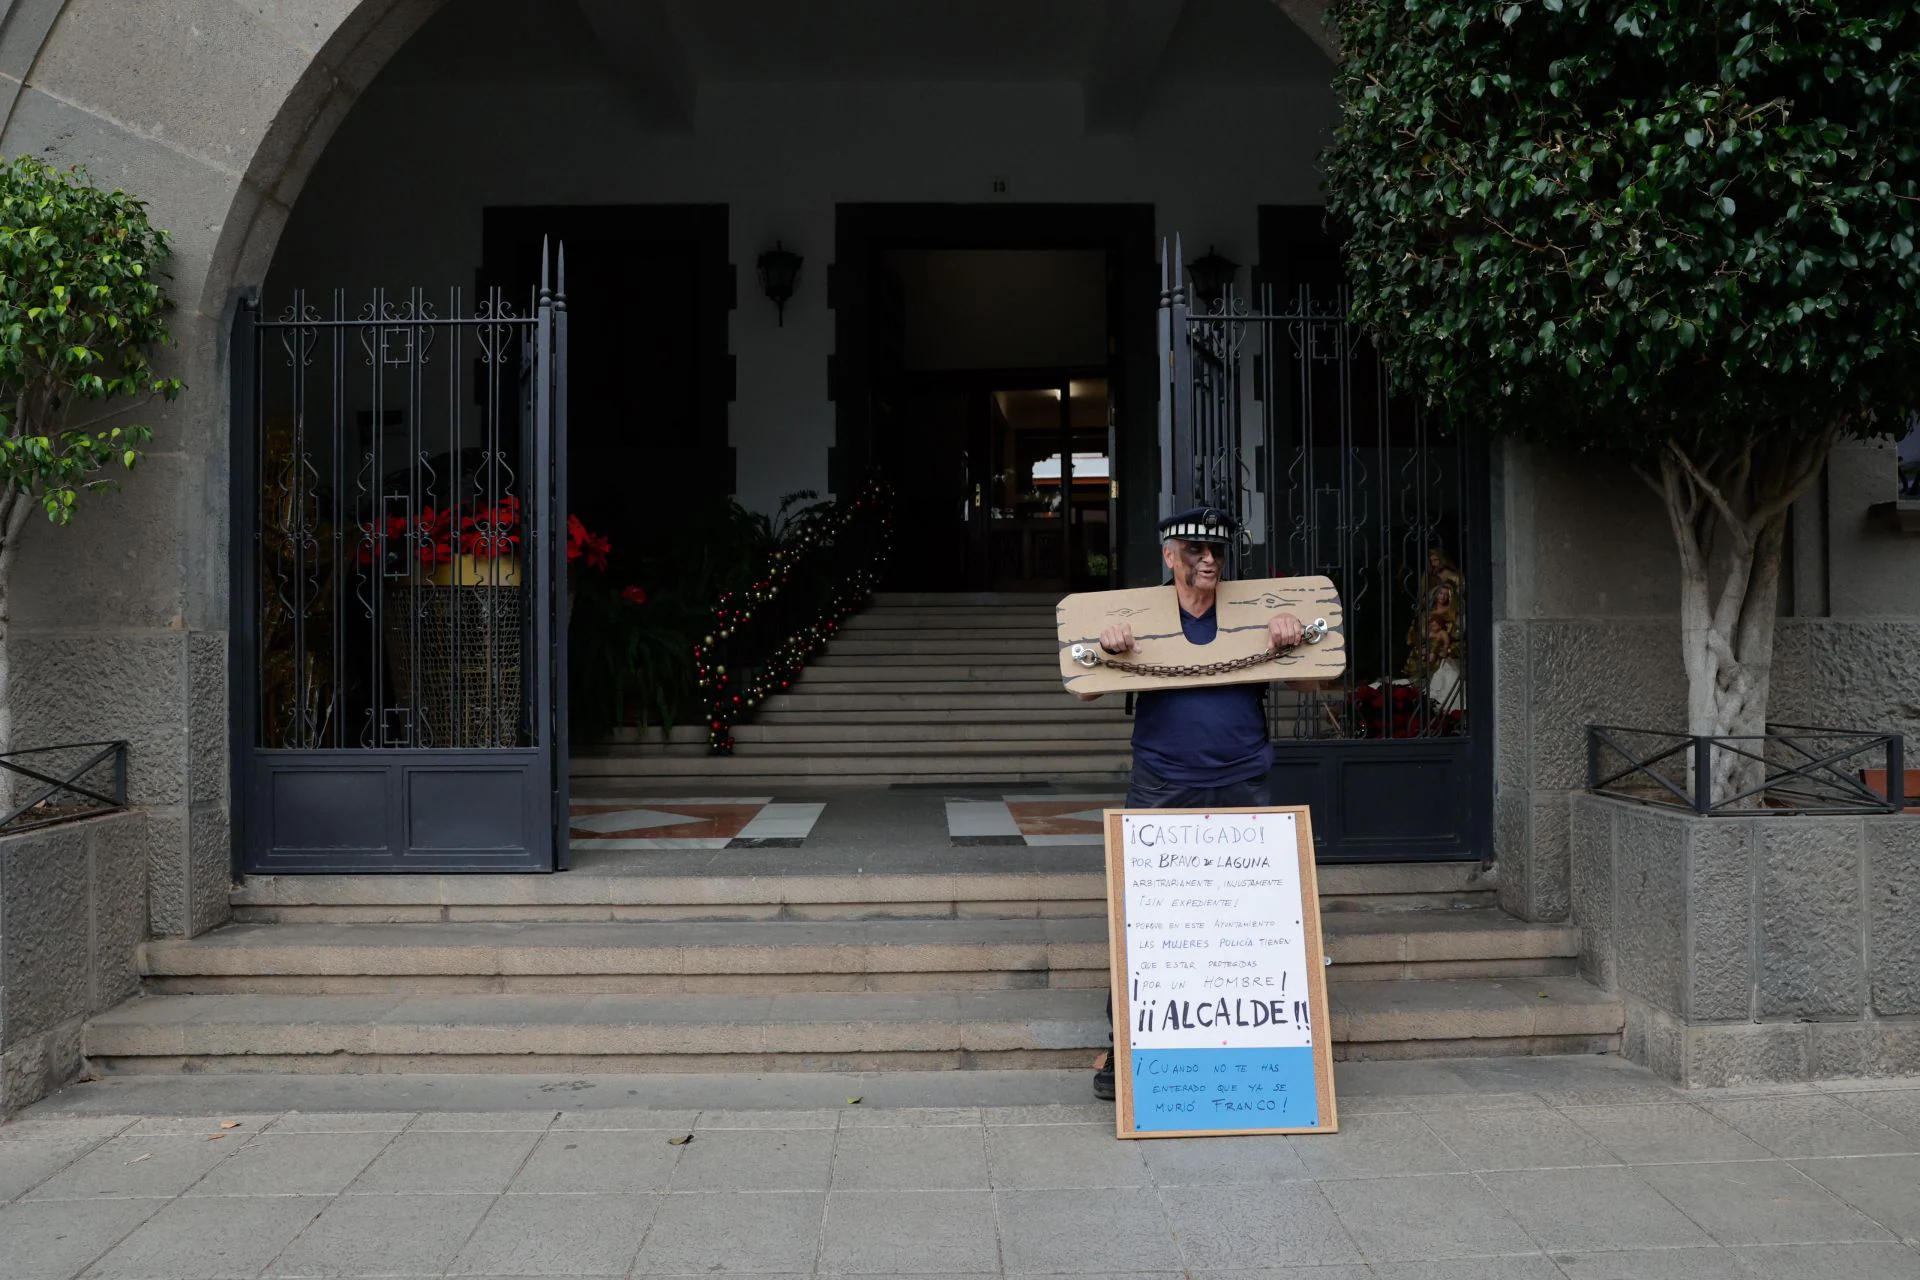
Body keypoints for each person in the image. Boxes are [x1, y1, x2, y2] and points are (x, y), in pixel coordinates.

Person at [1077, 505, 1311, 1101]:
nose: (1209, 560)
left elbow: (1320, 681)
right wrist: (1109, 649)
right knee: (1145, 916)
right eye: (1195, 551)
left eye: (1218, 551)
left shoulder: (1253, 613)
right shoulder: (1140, 619)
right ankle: (1123, 1043)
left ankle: (1249, 1040)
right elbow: (1084, 689)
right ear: (1169, 557)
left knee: (1249, 916)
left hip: (1243, 779)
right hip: (1162, 781)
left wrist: (1294, 638)